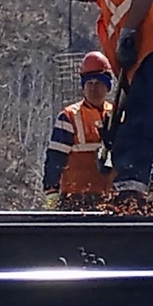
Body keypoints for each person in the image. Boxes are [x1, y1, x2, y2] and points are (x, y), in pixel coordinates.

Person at [59, 0, 153, 207]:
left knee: (142, 129)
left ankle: (131, 195)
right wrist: (115, 123)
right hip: (142, 74)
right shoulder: (104, 24)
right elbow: (125, 81)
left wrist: (128, 32)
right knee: (132, 130)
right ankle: (141, 195)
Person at [43, 51, 116, 211]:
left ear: (107, 86)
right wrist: (51, 192)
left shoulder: (117, 116)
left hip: (110, 202)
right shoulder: (69, 116)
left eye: (99, 83)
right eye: (89, 83)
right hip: (75, 201)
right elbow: (55, 158)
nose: (93, 88)